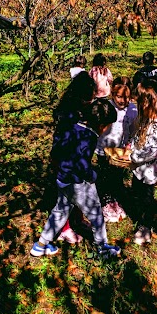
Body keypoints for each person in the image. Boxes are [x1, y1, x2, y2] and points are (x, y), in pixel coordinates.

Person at [30, 99, 121, 259]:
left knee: (59, 211)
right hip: (78, 184)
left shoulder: (74, 127)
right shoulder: (89, 137)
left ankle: (41, 245)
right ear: (102, 126)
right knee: (96, 214)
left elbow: (57, 151)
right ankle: (102, 248)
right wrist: (93, 176)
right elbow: (82, 165)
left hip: (62, 179)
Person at [52, 71, 97, 244]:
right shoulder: (69, 113)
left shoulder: (77, 108)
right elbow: (64, 141)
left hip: (73, 157)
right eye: (90, 96)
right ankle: (64, 228)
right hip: (65, 158)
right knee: (65, 196)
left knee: (77, 190)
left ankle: (77, 219)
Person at [129, 84, 157, 245]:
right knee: (138, 192)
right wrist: (131, 147)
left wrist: (133, 156)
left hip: (150, 171)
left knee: (144, 197)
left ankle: (146, 227)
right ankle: (156, 210)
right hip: (140, 169)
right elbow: (138, 138)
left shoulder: (156, 127)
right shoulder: (146, 122)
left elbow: (151, 151)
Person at [95, 77, 138, 223]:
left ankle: (116, 200)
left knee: (117, 176)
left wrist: (129, 145)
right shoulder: (107, 106)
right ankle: (106, 202)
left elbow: (133, 130)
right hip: (103, 148)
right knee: (104, 174)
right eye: (119, 96)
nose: (122, 100)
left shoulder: (132, 110)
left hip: (120, 151)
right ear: (113, 94)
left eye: (126, 97)